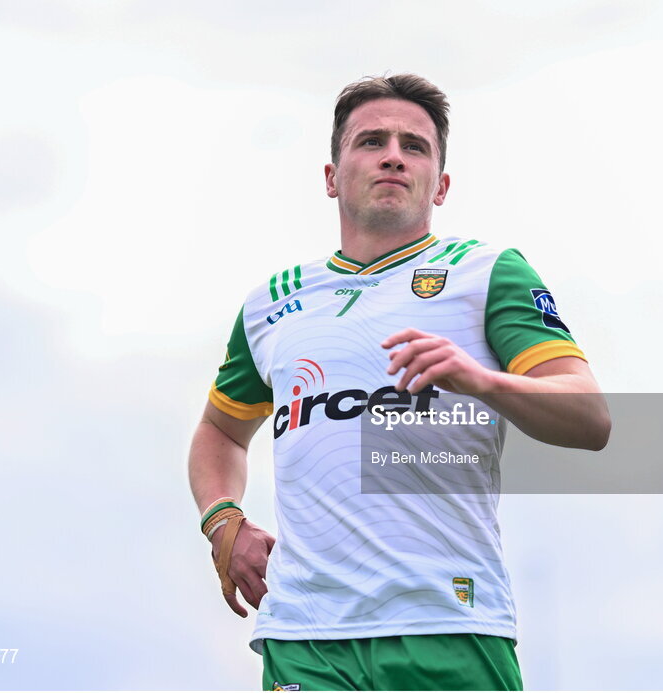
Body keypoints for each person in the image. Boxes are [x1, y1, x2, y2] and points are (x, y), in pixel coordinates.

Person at [188, 73, 611, 691]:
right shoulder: (271, 303)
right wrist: (223, 520)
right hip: (305, 638)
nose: (393, 154)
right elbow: (219, 433)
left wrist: (480, 381)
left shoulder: (486, 271)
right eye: (371, 141)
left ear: (440, 184)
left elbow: (591, 417)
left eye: (415, 146)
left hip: (449, 624)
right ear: (331, 176)